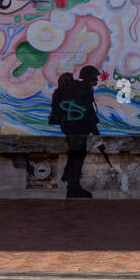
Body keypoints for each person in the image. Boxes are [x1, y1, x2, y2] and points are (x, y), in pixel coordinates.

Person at [48, 67, 100, 198]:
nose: (96, 81)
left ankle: (71, 181)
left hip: (72, 126)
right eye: (94, 78)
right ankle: (73, 185)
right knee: (77, 154)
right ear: (89, 78)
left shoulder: (79, 88)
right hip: (77, 127)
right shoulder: (83, 90)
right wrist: (97, 134)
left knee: (76, 154)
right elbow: (89, 113)